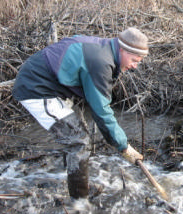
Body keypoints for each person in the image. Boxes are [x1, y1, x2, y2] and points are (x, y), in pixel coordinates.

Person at [12, 27, 149, 199]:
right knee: (79, 141)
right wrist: (123, 146)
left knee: (79, 134)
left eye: (139, 62)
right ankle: (79, 201)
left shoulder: (105, 49)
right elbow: (101, 111)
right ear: (122, 50)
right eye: (134, 60)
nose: (135, 66)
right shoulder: (101, 62)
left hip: (54, 87)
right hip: (36, 89)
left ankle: (74, 181)